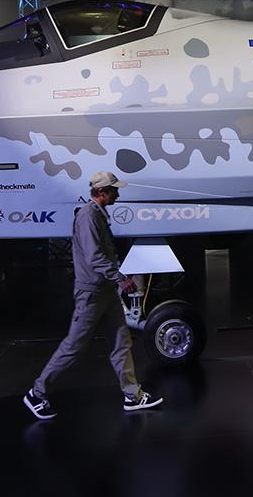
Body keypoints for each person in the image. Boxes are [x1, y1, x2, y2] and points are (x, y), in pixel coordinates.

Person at [24, 171, 163, 419]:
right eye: (113, 190)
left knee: (121, 343)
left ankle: (132, 395)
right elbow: (94, 257)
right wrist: (120, 278)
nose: (117, 194)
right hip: (91, 294)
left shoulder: (98, 214)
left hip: (106, 291)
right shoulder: (88, 216)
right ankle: (37, 393)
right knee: (74, 347)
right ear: (101, 192)